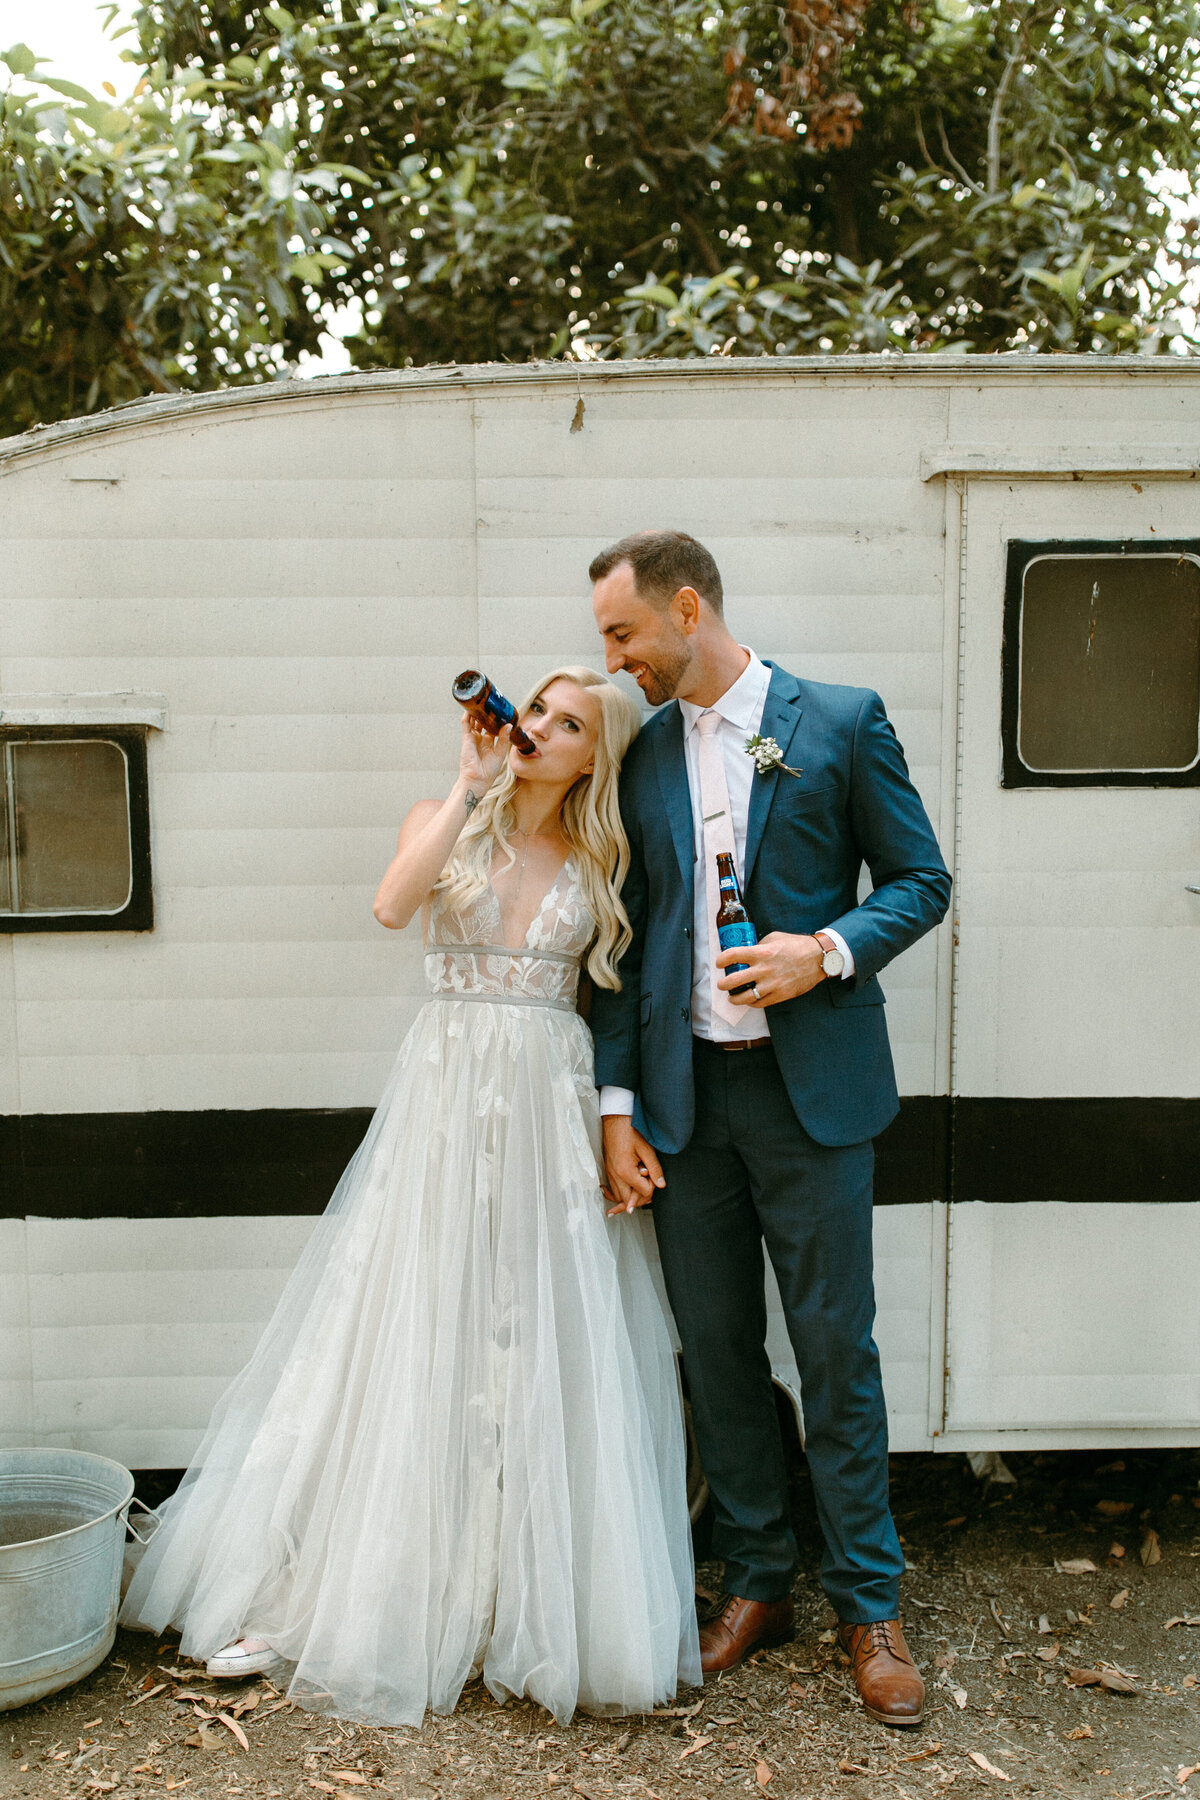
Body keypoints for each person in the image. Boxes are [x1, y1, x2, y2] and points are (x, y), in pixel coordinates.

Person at [120, 666, 701, 1727]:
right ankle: (338, 1594)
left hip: (544, 1111)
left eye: (568, 725)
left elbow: (622, 1001)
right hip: (441, 1097)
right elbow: (393, 907)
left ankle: (512, 1594)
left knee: (527, 1335)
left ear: (595, 757)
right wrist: (469, 786)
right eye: (537, 710)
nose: (537, 729)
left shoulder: (603, 858)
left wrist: (619, 1125)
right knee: (404, 1323)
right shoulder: (451, 818)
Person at [588, 533, 952, 1729]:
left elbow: (921, 878)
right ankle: (757, 1582)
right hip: (689, 1106)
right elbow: (625, 941)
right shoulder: (640, 755)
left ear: (687, 609)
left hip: (814, 1102)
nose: (614, 656)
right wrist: (618, 1107)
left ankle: (870, 1602)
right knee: (721, 1357)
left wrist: (826, 949)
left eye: (624, 633)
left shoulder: (840, 720)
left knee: (837, 1353)